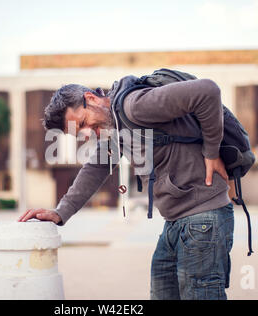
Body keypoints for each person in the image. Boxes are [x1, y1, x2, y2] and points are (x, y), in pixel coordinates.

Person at [17, 74, 234, 300]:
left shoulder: (134, 106)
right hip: (176, 223)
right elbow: (96, 168)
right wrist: (60, 212)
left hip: (203, 219)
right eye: (78, 133)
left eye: (82, 123)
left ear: (90, 98)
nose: (85, 134)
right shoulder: (116, 129)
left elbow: (208, 90)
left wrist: (212, 151)